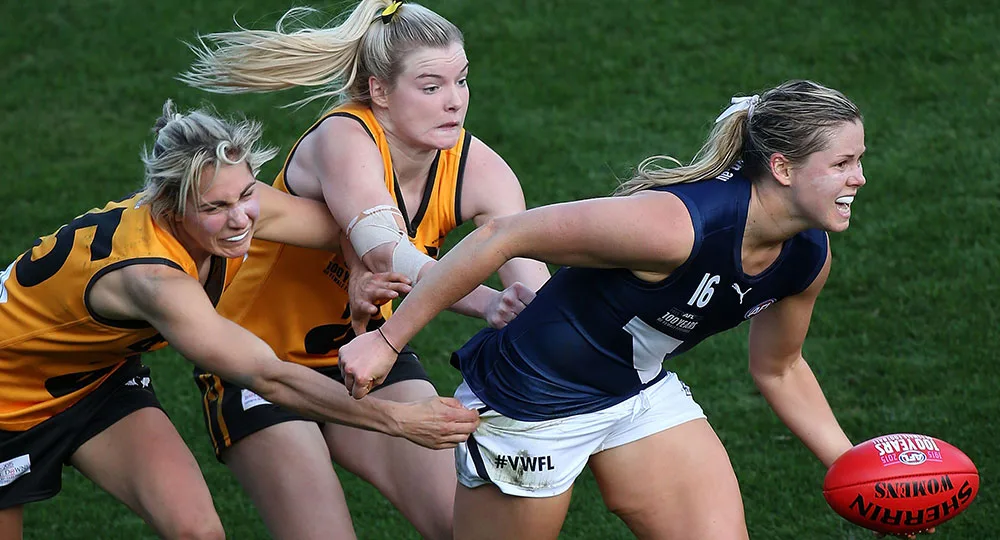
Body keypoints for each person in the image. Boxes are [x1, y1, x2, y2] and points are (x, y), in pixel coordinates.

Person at [339, 79, 888, 539]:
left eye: (858, 160)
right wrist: (387, 342)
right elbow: (500, 237)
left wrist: (858, 471)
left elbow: (780, 367)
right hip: (532, 402)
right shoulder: (675, 227)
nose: (859, 178)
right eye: (842, 163)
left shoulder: (807, 256)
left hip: (635, 391)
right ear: (783, 168)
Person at [0, 100, 478, 540]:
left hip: (93, 380)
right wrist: (398, 419)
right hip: (5, 399)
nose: (240, 220)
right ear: (169, 207)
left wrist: (356, 273)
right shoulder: (152, 280)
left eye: (246, 194)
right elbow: (267, 377)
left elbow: (345, 229)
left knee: (199, 533)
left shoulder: (235, 207)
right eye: (215, 208)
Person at [179, 2, 550, 539]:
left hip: (368, 353)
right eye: (430, 86)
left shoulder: (480, 169)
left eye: (462, 81)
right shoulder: (345, 137)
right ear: (378, 90)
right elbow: (383, 250)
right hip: (260, 360)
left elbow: (530, 282)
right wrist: (486, 303)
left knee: (462, 528)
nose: (455, 102)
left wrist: (554, 322)